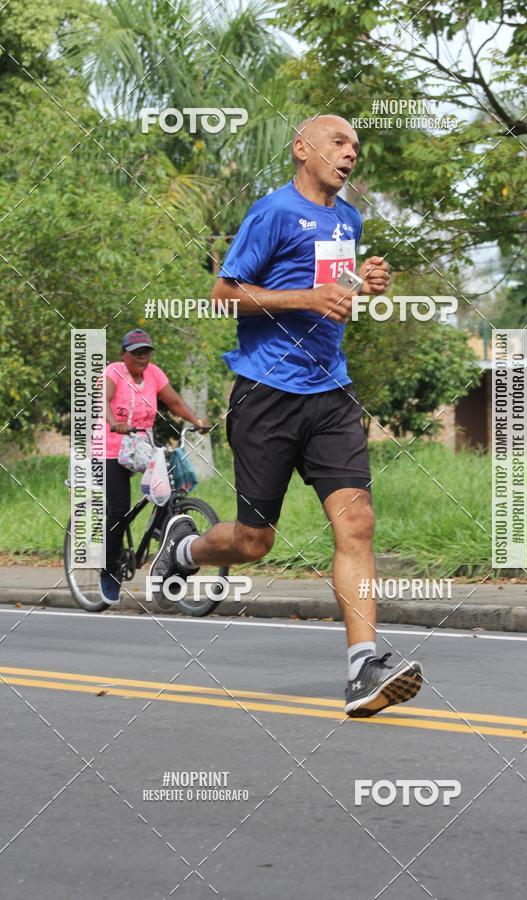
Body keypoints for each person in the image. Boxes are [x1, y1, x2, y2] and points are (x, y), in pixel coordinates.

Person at [150, 115, 423, 717]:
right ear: (303, 149)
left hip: (330, 393)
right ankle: (187, 548)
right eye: (339, 142)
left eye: (356, 146)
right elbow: (224, 294)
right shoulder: (271, 212)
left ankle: (363, 667)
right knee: (254, 542)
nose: (350, 154)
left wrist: (364, 279)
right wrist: (306, 298)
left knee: (357, 524)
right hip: (265, 394)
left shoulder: (347, 219)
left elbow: (333, 294)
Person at [100, 328, 206, 605]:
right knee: (118, 510)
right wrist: (113, 421)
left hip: (142, 447)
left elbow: (174, 401)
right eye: (135, 353)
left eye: (145, 352)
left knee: (167, 494)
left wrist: (196, 421)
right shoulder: (114, 372)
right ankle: (109, 569)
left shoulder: (154, 374)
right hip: (111, 447)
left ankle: (161, 541)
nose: (142, 357)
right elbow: (104, 399)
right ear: (124, 355)